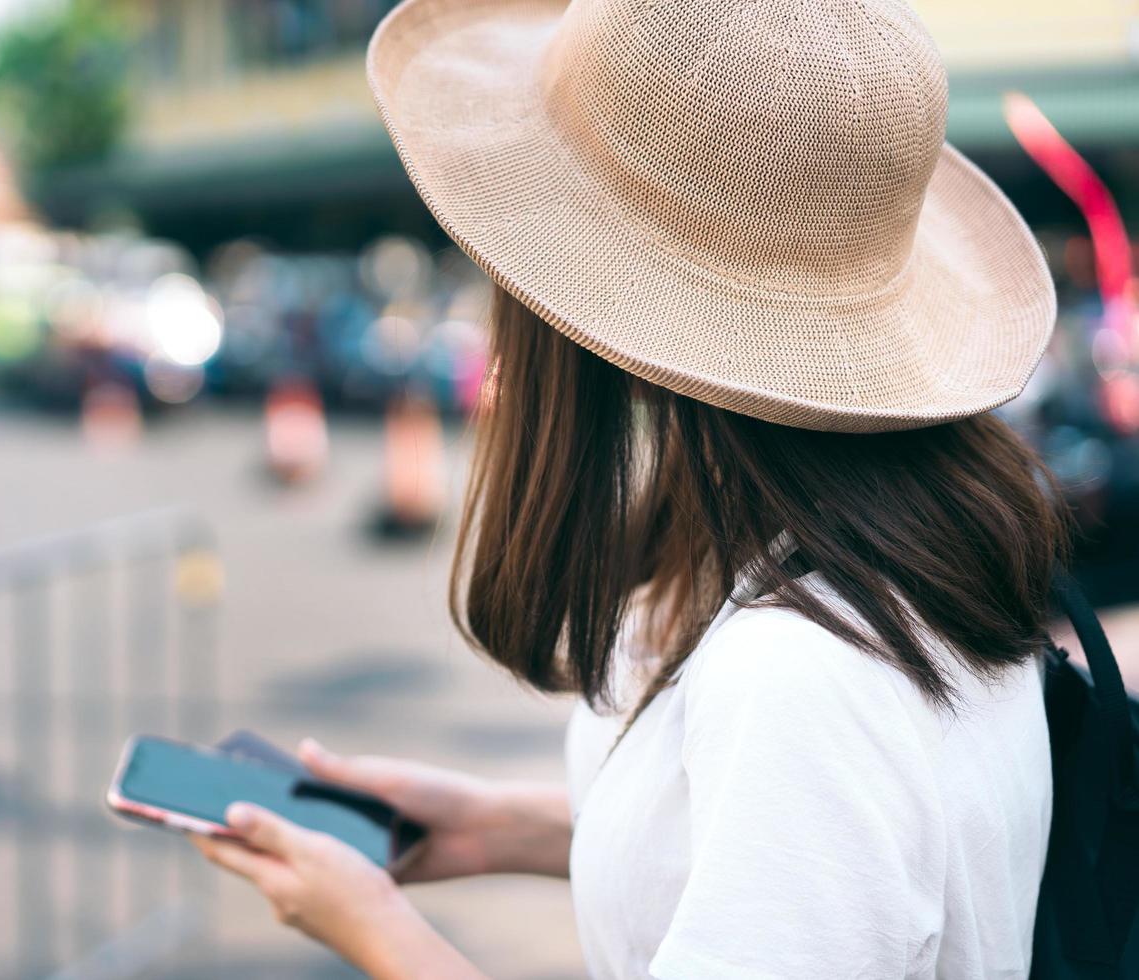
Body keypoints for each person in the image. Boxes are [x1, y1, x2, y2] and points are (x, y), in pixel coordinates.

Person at [191, 0, 1066, 975]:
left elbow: (818, 794)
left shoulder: (798, 674)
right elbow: (820, 856)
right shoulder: (896, 559)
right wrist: (501, 826)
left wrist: (373, 928)